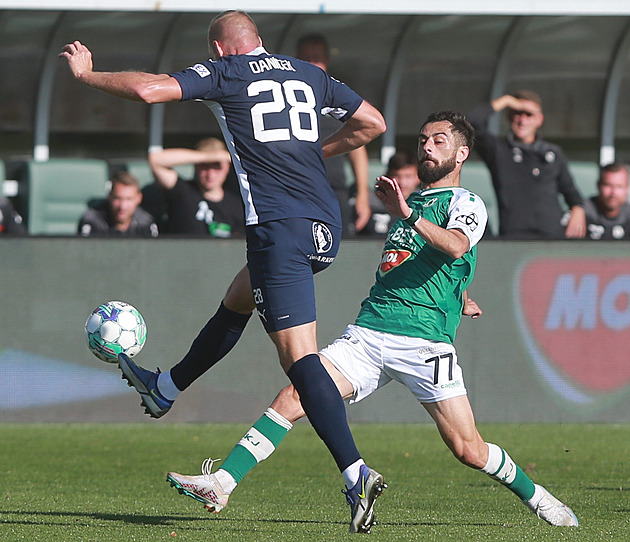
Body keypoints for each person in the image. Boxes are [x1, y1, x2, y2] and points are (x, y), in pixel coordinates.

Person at [165, 111, 578, 531]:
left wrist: (408, 217)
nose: (427, 147)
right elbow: (429, 263)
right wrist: (460, 293)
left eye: (438, 140)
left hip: (424, 344)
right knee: (294, 394)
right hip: (368, 332)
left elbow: (455, 247)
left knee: (468, 449)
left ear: (462, 153)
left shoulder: (464, 202)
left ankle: (539, 498)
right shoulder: (412, 201)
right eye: (423, 140)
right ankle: (222, 481)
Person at [61, 9, 386, 533]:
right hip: (325, 227)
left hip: (278, 227)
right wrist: (311, 151)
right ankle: (165, 387)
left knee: (301, 363)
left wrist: (86, 75)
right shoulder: (309, 72)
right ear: (259, 40)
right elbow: (373, 122)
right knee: (240, 297)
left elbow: (149, 91)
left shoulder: (229, 73)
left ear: (218, 51)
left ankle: (355, 474)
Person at [467, 91, 586, 239]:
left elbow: (570, 190)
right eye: (517, 113)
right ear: (509, 116)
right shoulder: (498, 150)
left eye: (529, 114)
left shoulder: (553, 153)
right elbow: (470, 124)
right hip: (514, 236)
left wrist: (578, 210)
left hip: (552, 235)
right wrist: (505, 101)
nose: (522, 120)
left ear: (540, 119)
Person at [296, 33, 371, 235]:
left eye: (317, 57)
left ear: (327, 60)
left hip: (333, 190)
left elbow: (358, 147)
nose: (312, 63)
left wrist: (362, 196)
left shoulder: (338, 95)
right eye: (306, 58)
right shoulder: (289, 95)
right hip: (298, 188)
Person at [148, 137, 244, 237]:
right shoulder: (183, 192)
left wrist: (228, 157)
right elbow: (155, 160)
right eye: (204, 166)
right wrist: (208, 156)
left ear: (227, 167)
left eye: (217, 166)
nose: (210, 174)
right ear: (196, 166)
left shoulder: (237, 206)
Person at [77, 170, 158, 237]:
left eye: (129, 199)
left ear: (139, 198)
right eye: (117, 198)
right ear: (109, 196)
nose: (123, 206)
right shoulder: (93, 221)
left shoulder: (145, 224)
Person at [362, 150, 421, 235]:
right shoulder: (368, 202)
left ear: (418, 178)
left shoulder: (424, 204)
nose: (402, 182)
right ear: (388, 176)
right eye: (397, 176)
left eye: (408, 176)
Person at [583, 161, 630, 240]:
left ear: (627, 188)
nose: (613, 193)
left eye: (619, 187)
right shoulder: (581, 213)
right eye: (608, 185)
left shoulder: (628, 217)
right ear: (598, 185)